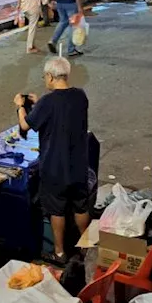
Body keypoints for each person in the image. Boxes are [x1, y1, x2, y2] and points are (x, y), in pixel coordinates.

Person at [15, 56, 90, 266]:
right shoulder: (80, 96)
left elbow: (25, 125)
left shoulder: (48, 102)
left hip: (55, 167)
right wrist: (39, 103)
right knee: (80, 206)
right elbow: (62, 110)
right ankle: (87, 247)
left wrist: (21, 106)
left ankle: (59, 252)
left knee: (56, 209)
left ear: (49, 76)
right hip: (78, 165)